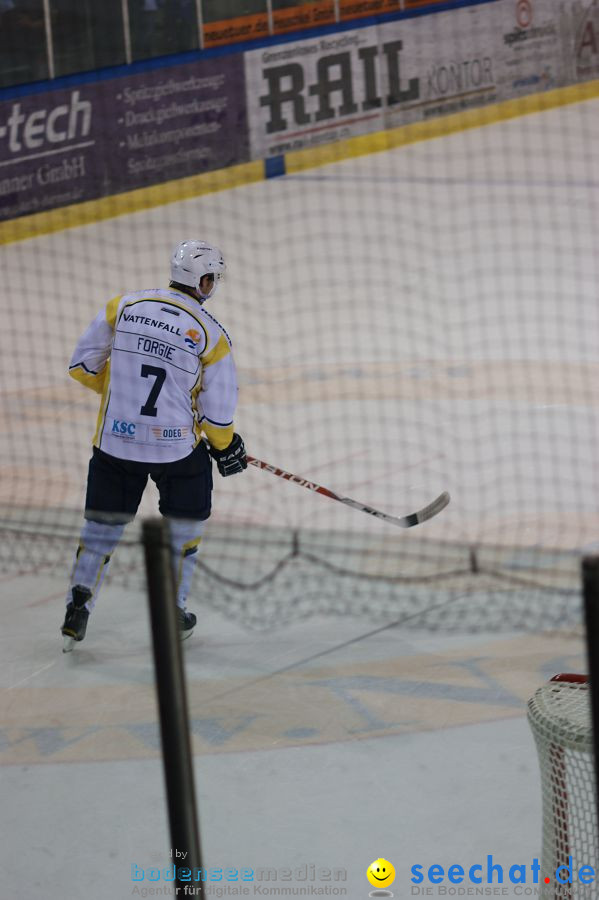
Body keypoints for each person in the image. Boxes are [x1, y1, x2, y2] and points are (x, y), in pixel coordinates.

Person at [60, 239, 247, 652]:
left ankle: (78, 605)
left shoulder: (122, 306)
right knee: (185, 527)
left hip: (115, 443)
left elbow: (82, 366)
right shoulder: (211, 334)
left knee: (101, 527)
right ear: (204, 281)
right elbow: (217, 415)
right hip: (175, 450)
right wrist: (225, 445)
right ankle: (172, 612)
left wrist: (122, 397)